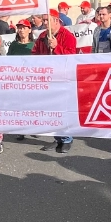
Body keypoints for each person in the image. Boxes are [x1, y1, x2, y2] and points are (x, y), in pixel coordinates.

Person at [36, 12, 79, 153]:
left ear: (56, 21)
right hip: (47, 79)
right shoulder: (42, 36)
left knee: (63, 109)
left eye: (47, 21)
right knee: (51, 110)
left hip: (63, 79)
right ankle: (57, 137)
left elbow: (71, 57)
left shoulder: (68, 36)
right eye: (43, 21)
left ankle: (67, 138)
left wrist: (56, 47)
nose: (44, 23)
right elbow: (34, 54)